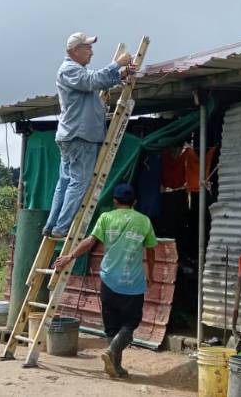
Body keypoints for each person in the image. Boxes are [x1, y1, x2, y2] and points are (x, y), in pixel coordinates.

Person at [53, 183, 157, 378]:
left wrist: (70, 257)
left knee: (111, 326)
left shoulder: (106, 217)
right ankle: (112, 356)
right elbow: (151, 251)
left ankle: (115, 366)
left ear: (115, 201)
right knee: (131, 323)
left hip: (108, 280)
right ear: (134, 202)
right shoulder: (144, 221)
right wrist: (150, 274)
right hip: (132, 284)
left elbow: (90, 241)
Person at [42, 32, 136, 238]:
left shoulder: (74, 71)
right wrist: (116, 65)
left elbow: (96, 81)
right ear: (75, 50)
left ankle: (52, 225)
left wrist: (119, 75)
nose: (91, 52)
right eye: (88, 47)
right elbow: (92, 80)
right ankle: (61, 227)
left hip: (74, 135)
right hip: (80, 136)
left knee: (66, 182)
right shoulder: (69, 70)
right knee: (78, 183)